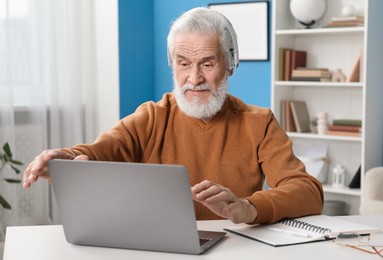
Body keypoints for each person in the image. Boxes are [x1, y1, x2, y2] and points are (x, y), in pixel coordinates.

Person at [23, 7, 323, 225]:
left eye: (207, 64)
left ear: (230, 64)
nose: (194, 78)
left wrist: (248, 207)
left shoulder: (259, 123)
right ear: (173, 66)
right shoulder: (152, 117)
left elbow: (308, 193)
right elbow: (99, 151)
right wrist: (63, 159)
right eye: (183, 64)